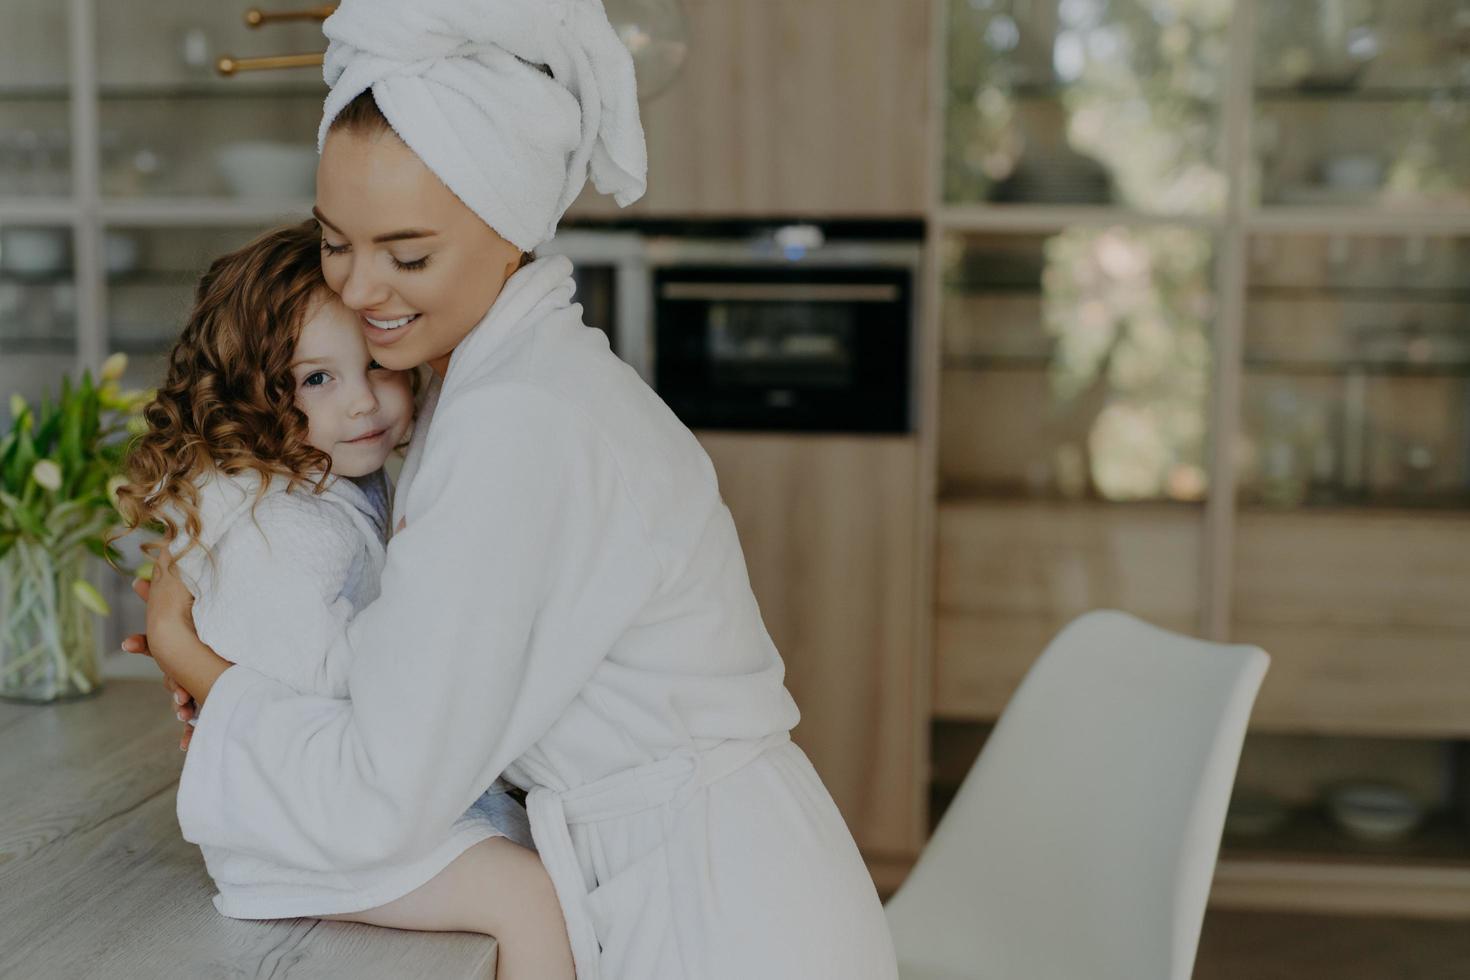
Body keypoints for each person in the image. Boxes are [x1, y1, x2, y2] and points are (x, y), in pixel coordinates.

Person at [125, 1, 899, 976]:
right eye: (334, 242)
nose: (361, 290)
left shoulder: (517, 426)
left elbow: (379, 791)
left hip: (720, 916)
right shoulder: (491, 379)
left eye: (408, 255)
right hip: (705, 867)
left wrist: (200, 662)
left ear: (510, 226)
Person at [116, 222, 574, 980]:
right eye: (318, 378)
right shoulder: (279, 525)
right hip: (305, 824)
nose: (364, 404)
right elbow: (324, 693)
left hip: (345, 784)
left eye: (376, 367)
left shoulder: (335, 476)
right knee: (530, 899)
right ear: (254, 390)